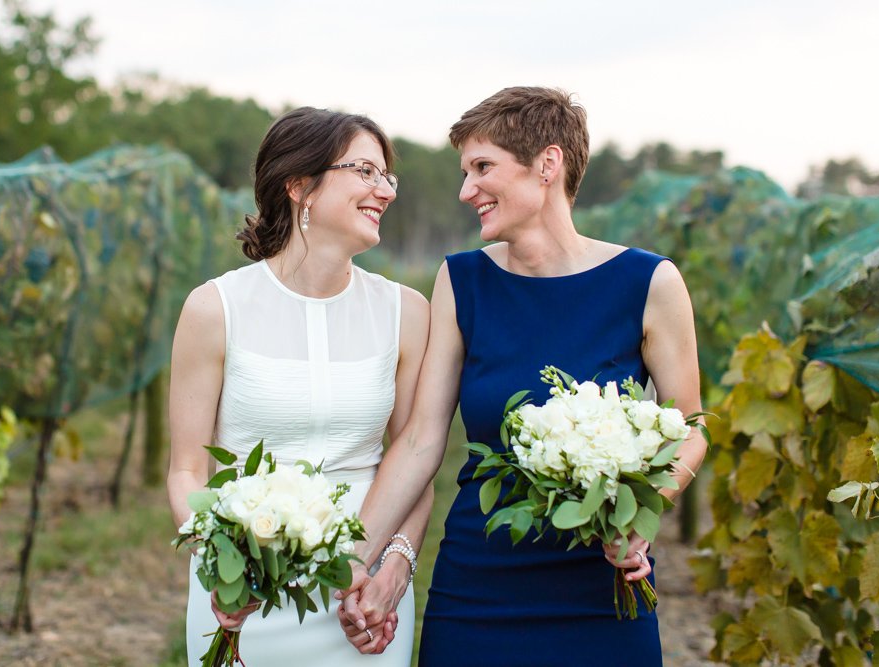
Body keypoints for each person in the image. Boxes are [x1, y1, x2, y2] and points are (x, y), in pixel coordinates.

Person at [338, 87, 707, 665]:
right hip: (477, 590)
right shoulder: (462, 281)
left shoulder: (650, 283)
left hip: (602, 588)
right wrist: (358, 559)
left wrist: (647, 509)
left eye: (483, 167)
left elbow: (691, 425)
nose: (466, 191)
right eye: (464, 173)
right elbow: (420, 439)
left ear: (547, 165)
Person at [167, 106, 433, 665]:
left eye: (387, 176)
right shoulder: (215, 308)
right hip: (245, 588)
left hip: (363, 593)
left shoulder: (406, 312)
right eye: (364, 171)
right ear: (299, 185)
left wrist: (395, 570)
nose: (384, 190)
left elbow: (416, 458)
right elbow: (187, 470)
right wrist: (217, 564)